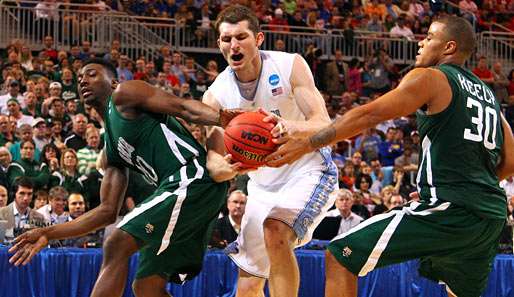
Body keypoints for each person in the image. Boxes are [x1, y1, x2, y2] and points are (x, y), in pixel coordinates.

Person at [264, 16, 514, 297]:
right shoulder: (489, 96)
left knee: (341, 255)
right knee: (458, 292)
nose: (421, 42)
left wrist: (307, 143)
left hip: (452, 208)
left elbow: (370, 114)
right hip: (491, 217)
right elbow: (511, 159)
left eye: (430, 37)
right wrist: (473, 188)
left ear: (449, 47)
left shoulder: (432, 77)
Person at [8, 58, 243, 297]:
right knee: (146, 287)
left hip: (192, 177)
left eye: (91, 74)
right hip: (190, 193)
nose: (82, 80)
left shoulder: (124, 94)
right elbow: (107, 211)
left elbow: (183, 107)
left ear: (113, 81)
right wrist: (48, 233)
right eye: (80, 78)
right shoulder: (111, 149)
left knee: (115, 243)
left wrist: (224, 118)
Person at [203, 5, 338, 297]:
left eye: (241, 37)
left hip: (308, 170)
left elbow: (323, 123)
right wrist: (227, 168)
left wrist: (290, 126)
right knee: (249, 281)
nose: (234, 45)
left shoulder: (289, 65)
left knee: (275, 230)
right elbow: (213, 162)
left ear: (259, 39)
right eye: (226, 39)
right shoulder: (215, 95)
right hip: (262, 185)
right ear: (219, 44)